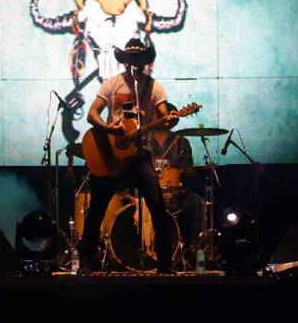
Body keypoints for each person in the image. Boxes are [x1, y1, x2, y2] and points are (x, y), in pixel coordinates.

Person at [79, 38, 177, 274]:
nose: (134, 62)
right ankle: (86, 262)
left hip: (139, 157)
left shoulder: (154, 87)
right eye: (130, 57)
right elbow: (92, 114)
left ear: (144, 60)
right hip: (111, 155)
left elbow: (164, 118)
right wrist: (107, 128)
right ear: (124, 60)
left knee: (157, 205)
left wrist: (172, 119)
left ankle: (165, 263)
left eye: (138, 57)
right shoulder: (111, 84)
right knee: (96, 210)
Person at [144, 104, 204, 247]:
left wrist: (181, 171)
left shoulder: (182, 141)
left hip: (175, 193)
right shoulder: (143, 140)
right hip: (147, 192)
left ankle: (192, 250)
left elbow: (189, 171)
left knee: (198, 202)